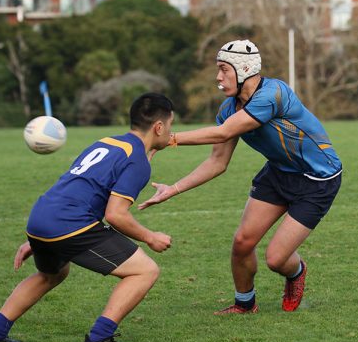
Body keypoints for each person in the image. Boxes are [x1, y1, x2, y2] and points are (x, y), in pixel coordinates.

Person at [139, 40, 342, 315]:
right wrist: (172, 189)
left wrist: (167, 139)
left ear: (245, 68)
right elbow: (217, 161)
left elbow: (223, 133)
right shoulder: (227, 110)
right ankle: (245, 304)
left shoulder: (274, 94)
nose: (218, 77)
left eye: (224, 69)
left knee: (277, 259)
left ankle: (296, 272)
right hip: (279, 172)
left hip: (317, 180)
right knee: (243, 242)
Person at [0, 93, 174, 342]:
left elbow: (75, 186)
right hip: (69, 224)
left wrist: (37, 237)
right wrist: (151, 237)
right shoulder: (136, 160)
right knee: (144, 271)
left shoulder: (107, 142)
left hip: (41, 217)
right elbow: (116, 214)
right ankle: (99, 340)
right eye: (170, 125)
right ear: (158, 127)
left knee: (52, 274)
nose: (171, 132)